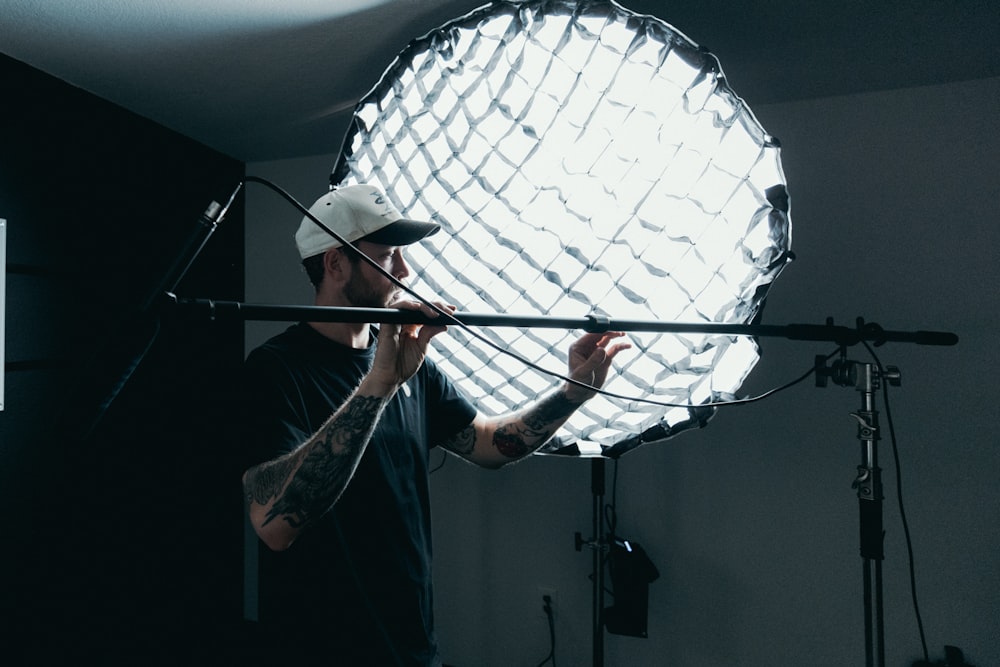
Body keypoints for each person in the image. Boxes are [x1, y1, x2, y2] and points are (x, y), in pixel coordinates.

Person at [240, 184, 630, 666]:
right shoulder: (275, 370)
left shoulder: (412, 363)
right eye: (387, 257)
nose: (405, 272)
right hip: (316, 647)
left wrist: (572, 393)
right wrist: (380, 382)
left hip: (411, 646)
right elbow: (274, 526)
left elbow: (489, 444)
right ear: (335, 265)